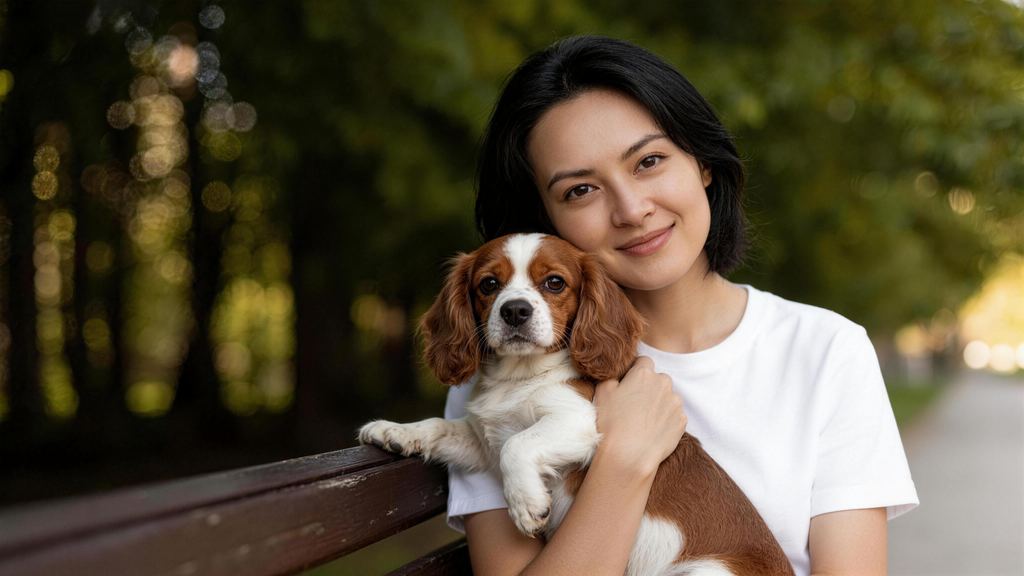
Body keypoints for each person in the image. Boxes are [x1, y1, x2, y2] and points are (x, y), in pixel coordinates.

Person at [443, 35, 918, 576]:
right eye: (580, 190)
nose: (631, 208)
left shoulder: (826, 350)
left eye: (648, 161)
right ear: (546, 221)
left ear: (704, 163)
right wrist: (623, 463)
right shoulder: (499, 373)